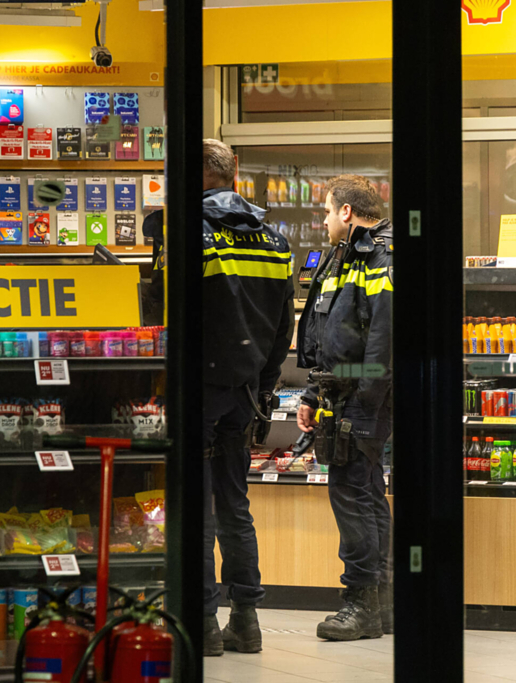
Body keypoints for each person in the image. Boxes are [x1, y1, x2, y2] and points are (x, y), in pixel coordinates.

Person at [201, 139, 295, 656]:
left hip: (199, 388)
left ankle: (203, 623)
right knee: (235, 503)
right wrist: (263, 385)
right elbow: (284, 329)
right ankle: (246, 619)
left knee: (197, 507)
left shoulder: (190, 234)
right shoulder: (276, 242)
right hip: (245, 392)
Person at [296, 174, 393, 641]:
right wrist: (314, 394)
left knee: (352, 495)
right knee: (366, 491)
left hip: (361, 396)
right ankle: (381, 602)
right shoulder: (343, 256)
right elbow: (325, 330)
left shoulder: (380, 255)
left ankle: (360, 604)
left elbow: (384, 336)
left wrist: (364, 401)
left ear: (348, 213)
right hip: (340, 393)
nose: (325, 219)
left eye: (329, 211)